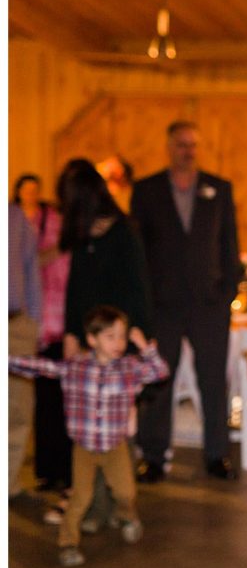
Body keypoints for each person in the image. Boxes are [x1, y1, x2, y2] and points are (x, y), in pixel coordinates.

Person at [8, 305, 169, 567]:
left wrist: (145, 347)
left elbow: (160, 372)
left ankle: (127, 516)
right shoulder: (76, 368)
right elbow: (40, 366)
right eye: (110, 336)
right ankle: (68, 543)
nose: (118, 342)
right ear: (92, 340)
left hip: (115, 446)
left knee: (126, 493)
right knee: (80, 497)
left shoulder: (128, 368)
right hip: (84, 448)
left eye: (121, 336)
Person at [131, 120, 241, 481]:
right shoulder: (146, 191)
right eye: (181, 144)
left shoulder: (218, 189)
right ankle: (154, 455)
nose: (188, 151)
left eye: (193, 144)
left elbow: (229, 247)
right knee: (159, 381)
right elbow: (139, 252)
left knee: (212, 381)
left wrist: (226, 295)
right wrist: (144, 303)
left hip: (208, 304)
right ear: (168, 146)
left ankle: (216, 454)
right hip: (162, 305)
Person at [58, 158, 154, 528]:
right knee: (87, 430)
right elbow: (75, 290)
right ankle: (94, 508)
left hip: (118, 347)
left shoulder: (124, 233)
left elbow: (139, 291)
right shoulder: (84, 236)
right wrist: (70, 335)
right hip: (88, 344)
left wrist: (135, 344)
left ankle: (121, 504)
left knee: (116, 432)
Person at [13, 174, 73, 492]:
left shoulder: (53, 218)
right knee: (35, 402)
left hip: (57, 320)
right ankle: (44, 470)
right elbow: (26, 264)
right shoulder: (15, 221)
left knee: (58, 399)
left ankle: (59, 468)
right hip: (30, 321)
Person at [8, 203, 42, 499]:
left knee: (18, 409)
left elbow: (31, 267)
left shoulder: (16, 216)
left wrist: (33, 322)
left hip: (16, 323)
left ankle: (9, 481)